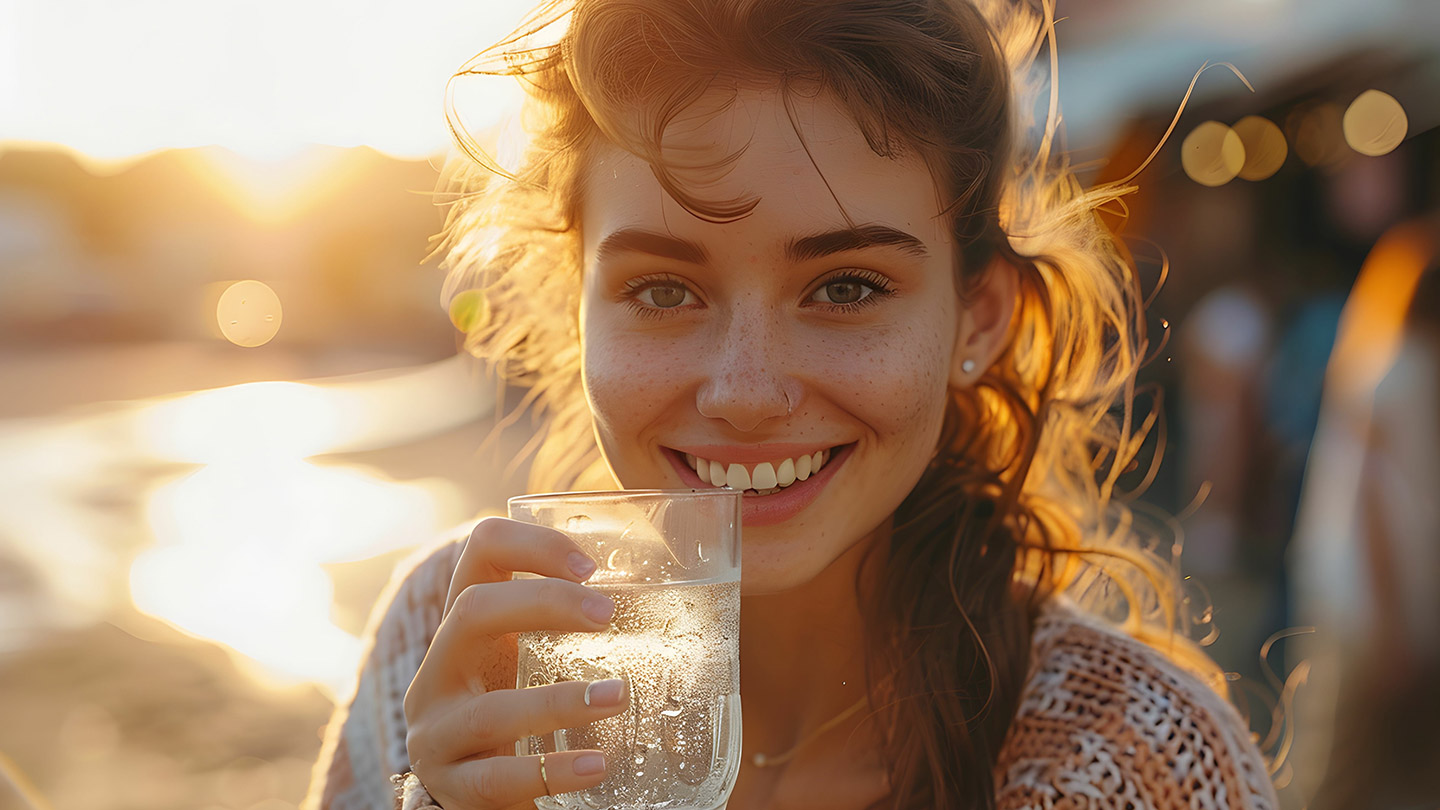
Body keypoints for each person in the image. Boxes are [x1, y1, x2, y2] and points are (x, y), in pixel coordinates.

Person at [306, 0, 1280, 808]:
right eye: (662, 290)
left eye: (847, 287)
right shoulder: (450, 647)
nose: (745, 393)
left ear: (978, 318)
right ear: (577, 306)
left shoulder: (1134, 761)